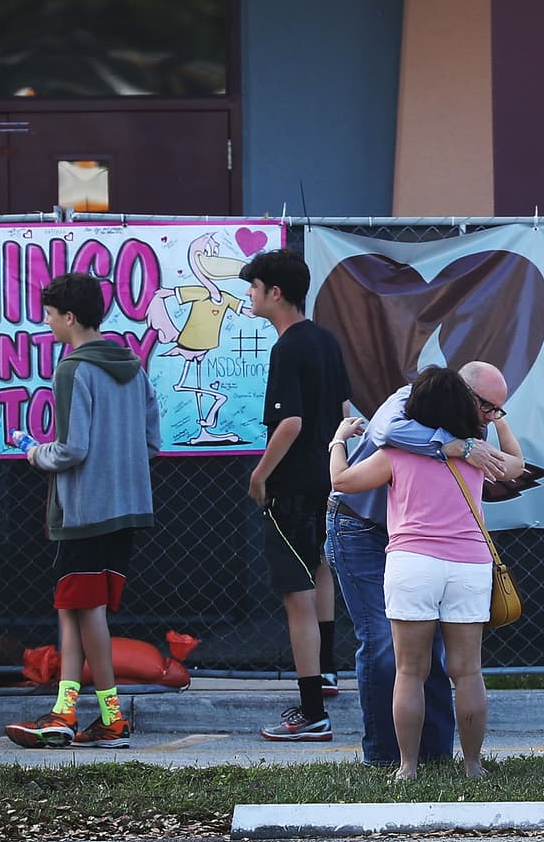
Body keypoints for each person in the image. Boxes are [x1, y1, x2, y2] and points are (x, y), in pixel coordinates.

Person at [329, 364, 525, 780]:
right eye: (489, 408)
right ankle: (472, 765)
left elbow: (343, 482)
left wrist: (336, 441)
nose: (491, 415)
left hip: (413, 562)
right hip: (470, 564)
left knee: (409, 670)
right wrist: (503, 427)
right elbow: (516, 466)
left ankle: (406, 767)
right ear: (464, 402)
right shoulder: (477, 451)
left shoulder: (397, 452)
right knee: (467, 670)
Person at [4, 273, 161, 750]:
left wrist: (34, 452)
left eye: (50, 315)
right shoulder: (133, 365)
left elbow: (71, 449)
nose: (47, 324)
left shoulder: (72, 368)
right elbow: (153, 441)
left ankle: (112, 718)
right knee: (73, 608)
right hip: (128, 507)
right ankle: (64, 712)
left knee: (86, 609)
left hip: (84, 511)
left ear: (69, 317)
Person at [241, 249, 352, 741]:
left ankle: (311, 713)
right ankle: (326, 671)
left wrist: (260, 476)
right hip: (327, 485)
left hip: (291, 488)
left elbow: (290, 422)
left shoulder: (287, 347)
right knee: (320, 568)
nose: (249, 295)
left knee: (296, 596)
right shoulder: (325, 341)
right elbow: (346, 409)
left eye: (254, 287)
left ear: (275, 293)